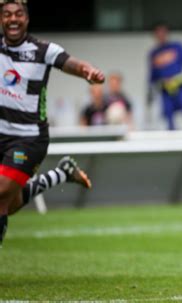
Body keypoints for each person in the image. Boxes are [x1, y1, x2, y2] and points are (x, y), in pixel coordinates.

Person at [0, 0, 102, 246]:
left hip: (29, 138)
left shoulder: (43, 50)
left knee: (1, 194)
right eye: (7, 14)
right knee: (9, 204)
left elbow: (73, 63)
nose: (13, 19)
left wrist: (88, 71)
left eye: (18, 14)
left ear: (27, 18)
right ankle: (61, 173)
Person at [147, 23, 182, 130]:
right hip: (165, 90)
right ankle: (171, 137)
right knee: (168, 114)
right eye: (158, 33)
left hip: (180, 87)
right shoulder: (153, 53)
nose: (161, 35)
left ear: (167, 33)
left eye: (163, 32)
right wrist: (149, 91)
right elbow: (152, 75)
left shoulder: (177, 47)